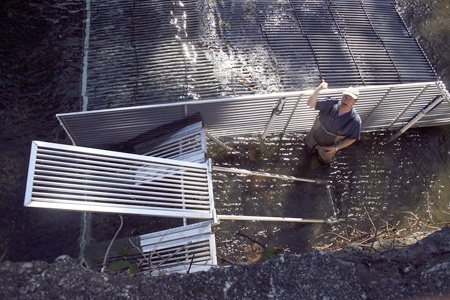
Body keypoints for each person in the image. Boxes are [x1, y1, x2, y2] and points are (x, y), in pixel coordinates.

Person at [304, 80, 361, 164]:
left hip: (328, 148)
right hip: (312, 139)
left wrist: (336, 148)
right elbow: (310, 104)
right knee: (305, 153)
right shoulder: (330, 103)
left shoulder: (355, 120)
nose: (346, 100)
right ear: (342, 96)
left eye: (350, 99)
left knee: (323, 163)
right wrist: (318, 90)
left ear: (355, 102)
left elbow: (353, 138)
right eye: (345, 97)